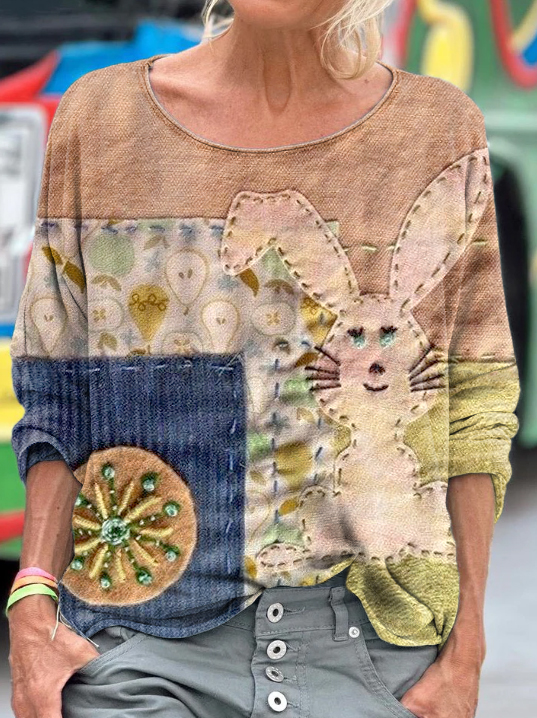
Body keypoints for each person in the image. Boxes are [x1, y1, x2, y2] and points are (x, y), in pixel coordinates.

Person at [6, 1, 521, 717]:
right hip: (136, 650)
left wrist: (465, 654)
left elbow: (475, 407)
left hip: (375, 660)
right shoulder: (102, 117)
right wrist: (32, 603)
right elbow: (57, 395)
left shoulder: (435, 130)